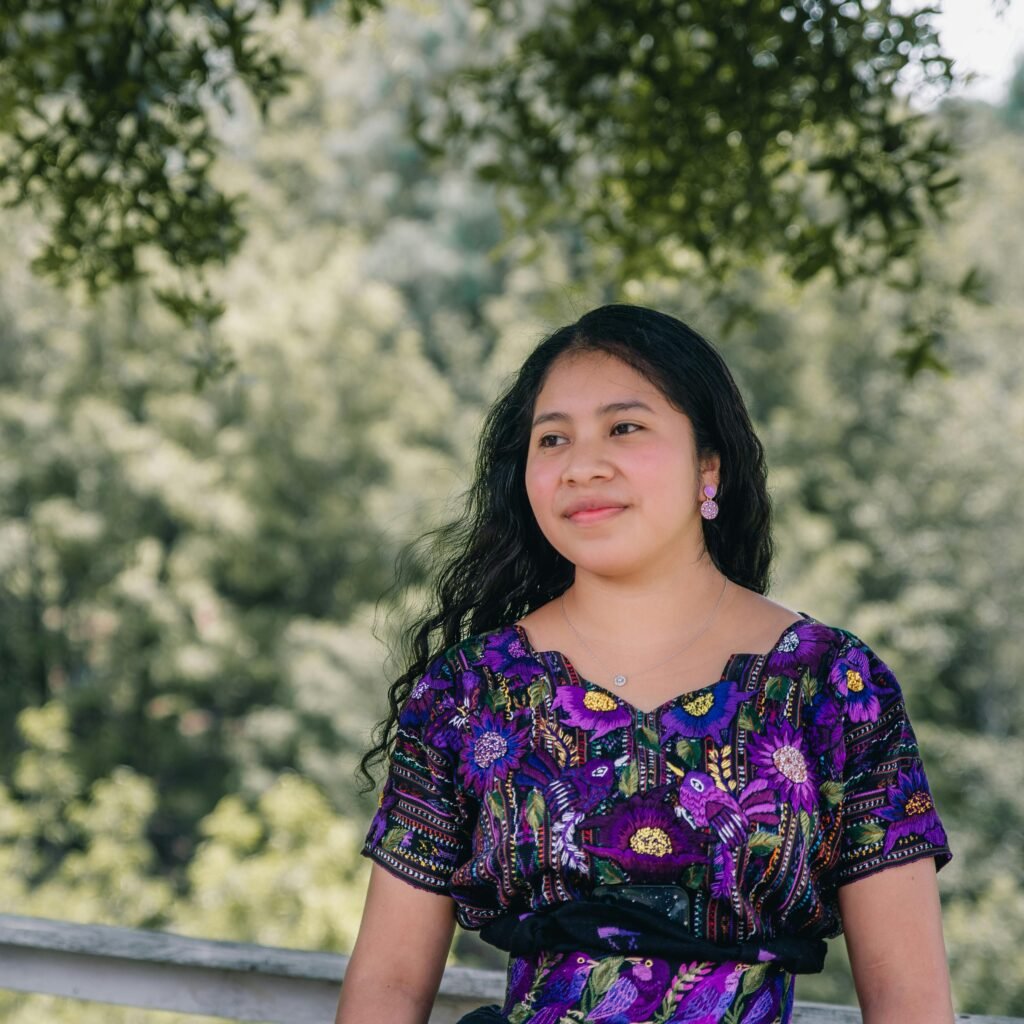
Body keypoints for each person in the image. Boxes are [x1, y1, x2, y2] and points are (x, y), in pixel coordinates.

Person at [335, 304, 954, 1024]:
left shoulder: (832, 684)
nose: (582, 466)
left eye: (624, 428)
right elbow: (385, 986)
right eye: (553, 439)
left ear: (708, 466)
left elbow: (910, 1000)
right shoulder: (468, 692)